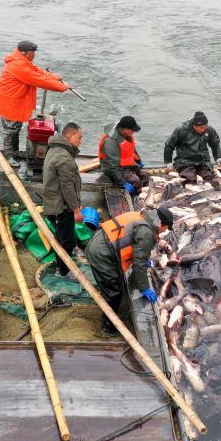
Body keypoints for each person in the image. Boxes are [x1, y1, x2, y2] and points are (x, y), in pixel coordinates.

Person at [84, 206, 174, 335]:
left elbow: (131, 242)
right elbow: (139, 264)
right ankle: (108, 327)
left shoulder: (141, 216)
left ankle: (110, 313)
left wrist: (143, 259)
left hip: (99, 242)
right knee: (114, 292)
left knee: (115, 284)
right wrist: (144, 288)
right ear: (161, 224)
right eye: (165, 228)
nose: (163, 232)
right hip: (102, 255)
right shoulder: (147, 232)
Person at [0, 40, 68, 165]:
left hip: (16, 101)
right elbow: (38, 79)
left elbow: (37, 72)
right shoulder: (18, 65)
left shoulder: (23, 62)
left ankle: (14, 152)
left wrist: (53, 76)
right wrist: (62, 87)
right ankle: (8, 156)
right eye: (32, 52)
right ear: (24, 53)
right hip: (10, 102)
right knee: (10, 130)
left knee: (16, 128)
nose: (34, 55)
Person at [42, 122, 86, 276]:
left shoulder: (54, 149)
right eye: (79, 138)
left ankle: (62, 265)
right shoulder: (64, 158)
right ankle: (63, 272)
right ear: (69, 135)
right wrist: (76, 210)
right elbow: (67, 187)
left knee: (64, 236)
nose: (80, 141)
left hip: (52, 203)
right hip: (60, 208)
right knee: (66, 242)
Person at [164, 111, 221, 183]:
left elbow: (215, 143)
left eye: (205, 127)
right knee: (189, 179)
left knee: (209, 178)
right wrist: (168, 162)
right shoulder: (181, 130)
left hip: (203, 161)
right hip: (185, 161)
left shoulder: (209, 129)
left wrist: (218, 157)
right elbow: (169, 145)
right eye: (200, 127)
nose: (203, 130)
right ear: (194, 125)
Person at [99, 116, 149, 194]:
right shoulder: (111, 142)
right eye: (132, 130)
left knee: (146, 175)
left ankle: (142, 192)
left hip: (125, 165)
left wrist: (139, 161)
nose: (133, 132)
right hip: (112, 169)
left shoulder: (126, 135)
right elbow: (113, 166)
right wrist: (122, 183)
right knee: (136, 181)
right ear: (125, 129)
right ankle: (135, 197)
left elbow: (132, 149)